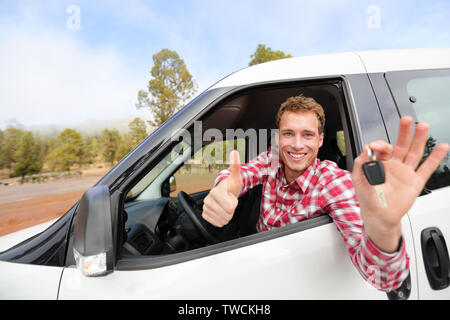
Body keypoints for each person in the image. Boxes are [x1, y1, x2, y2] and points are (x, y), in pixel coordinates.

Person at [201, 94, 450, 292]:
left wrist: (385, 230)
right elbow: (240, 175)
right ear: (278, 137)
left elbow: (383, 280)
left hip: (296, 282)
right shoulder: (273, 158)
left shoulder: (334, 184)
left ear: (320, 140)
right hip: (256, 267)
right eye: (289, 133)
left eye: (307, 135)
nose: (297, 145)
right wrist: (223, 190)